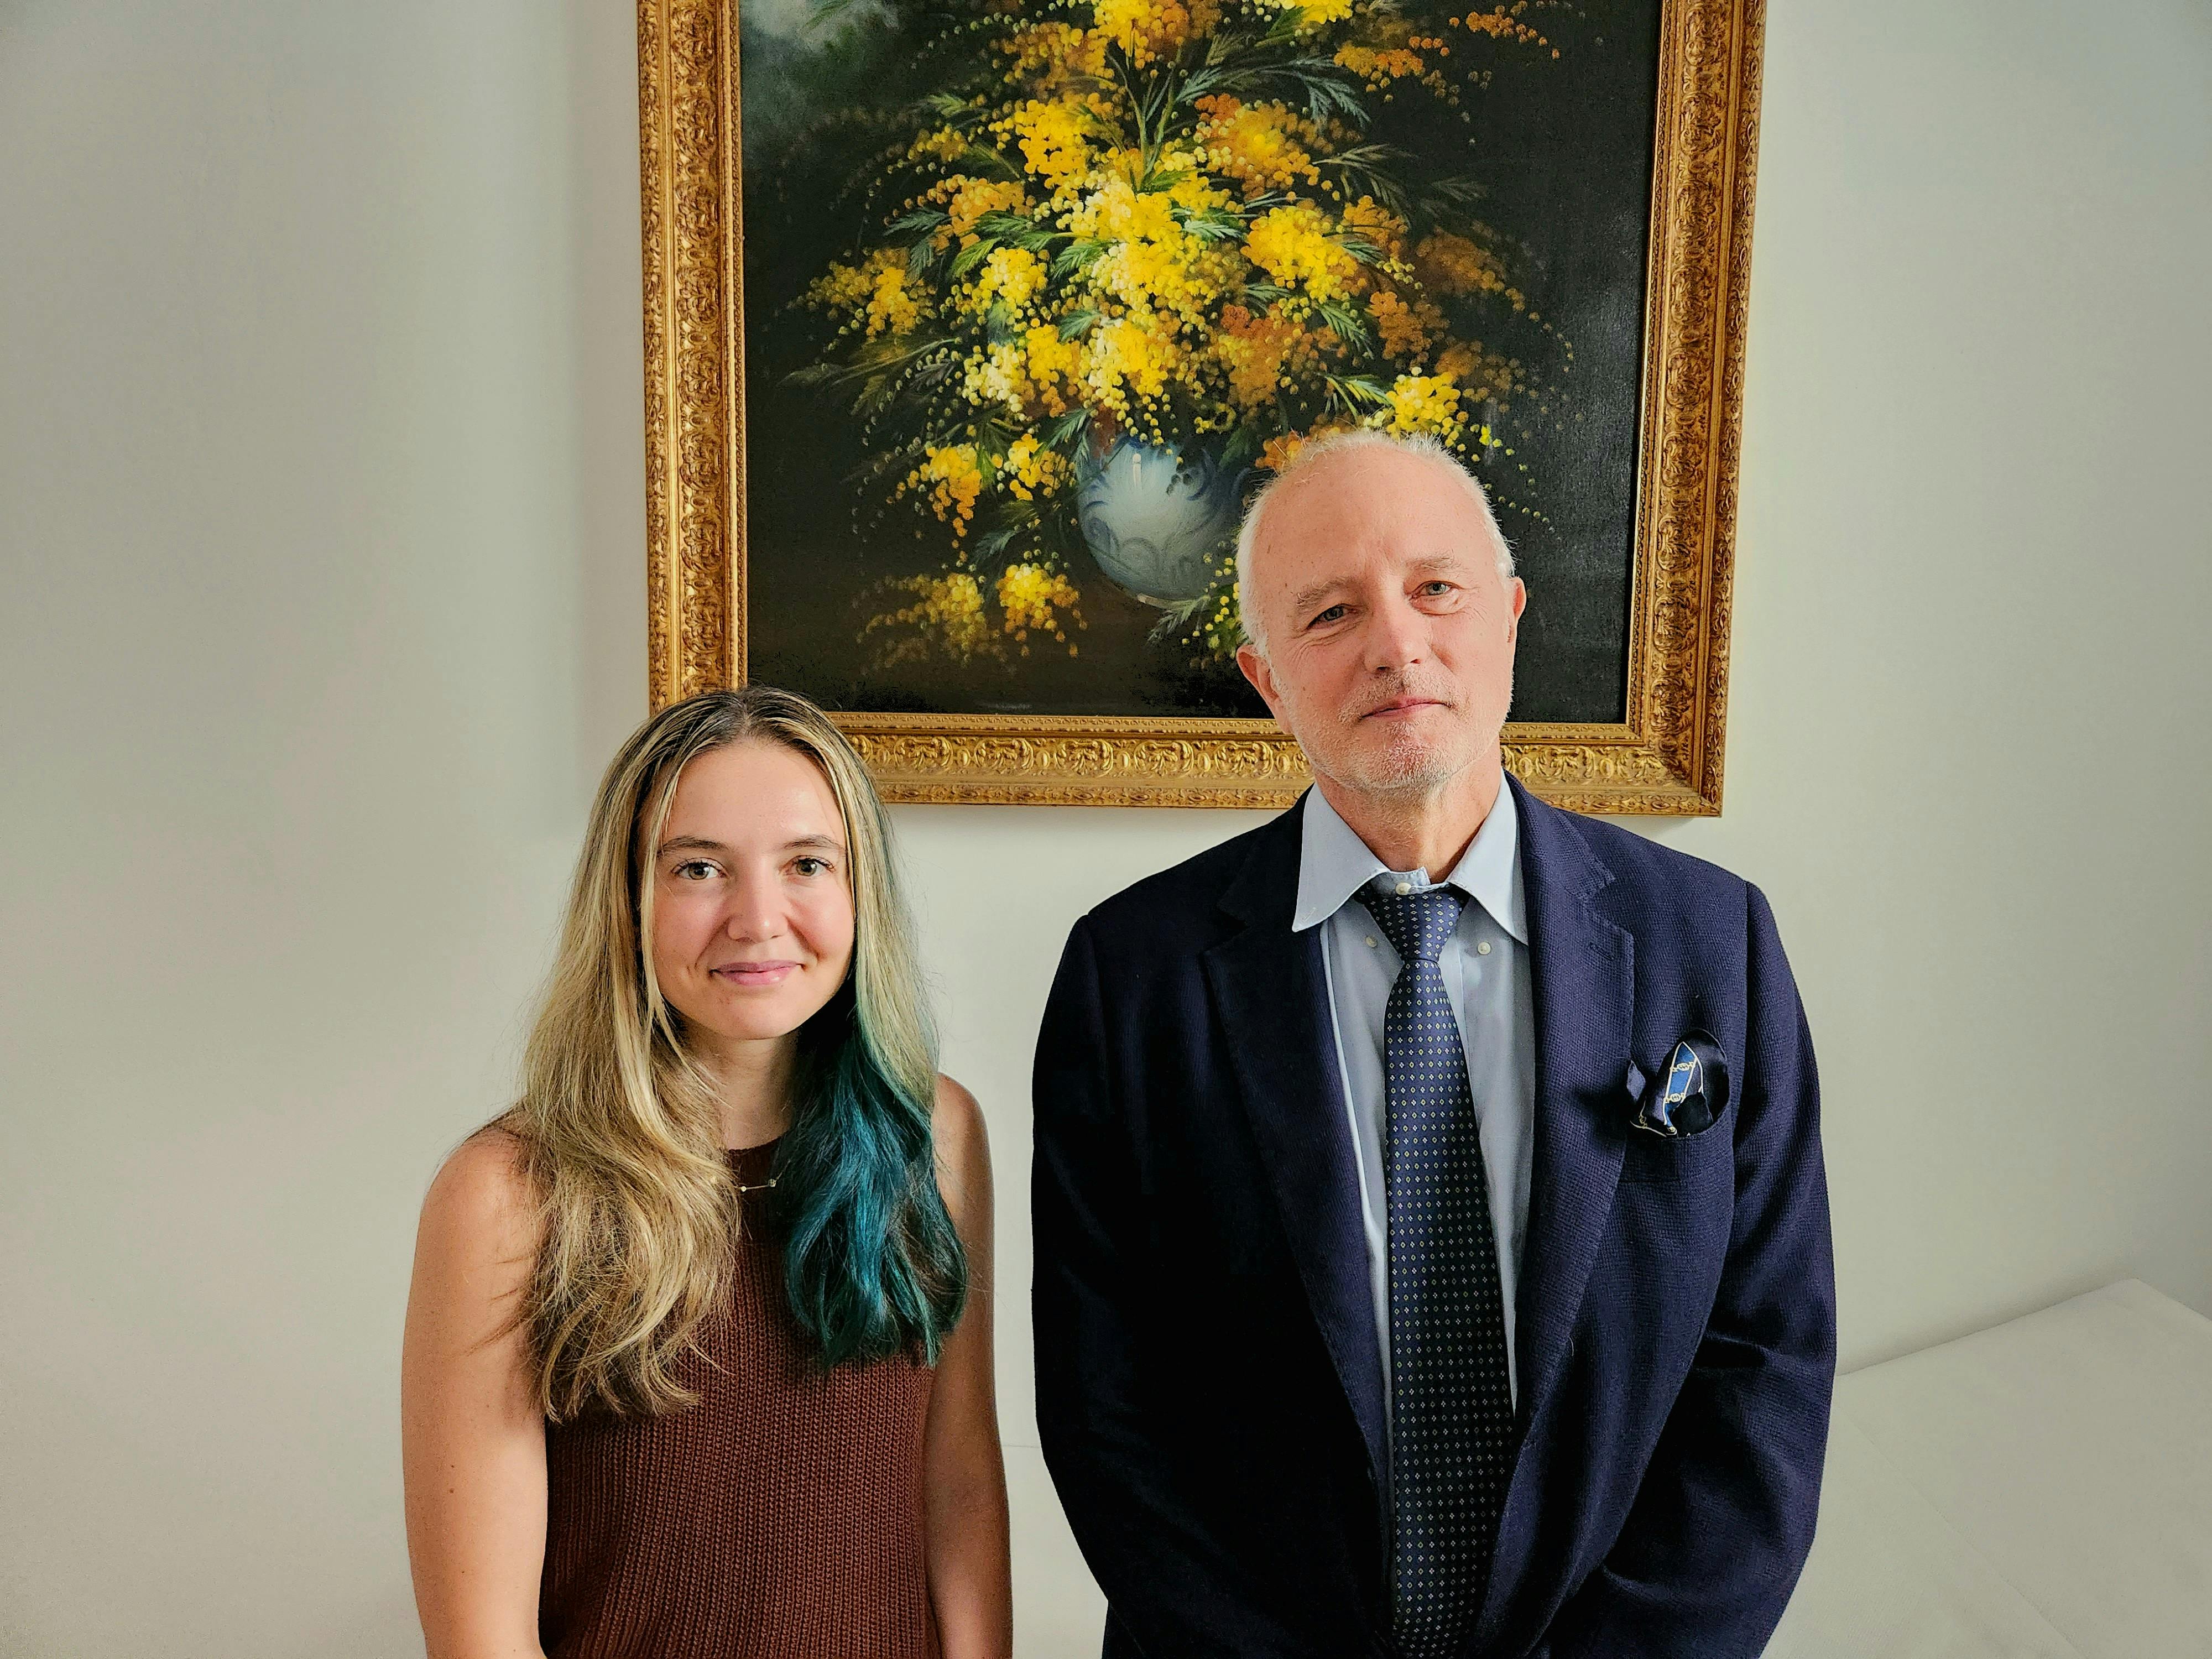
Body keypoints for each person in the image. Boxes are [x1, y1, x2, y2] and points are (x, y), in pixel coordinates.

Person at [1032, 431, 1834, 1658]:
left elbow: (1763, 1364)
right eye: (1330, 611)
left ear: (1507, 619)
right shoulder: (1129, 975)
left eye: (1435, 589)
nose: (1395, 643)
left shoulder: (1708, 942)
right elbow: (1109, 1417)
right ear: (1265, 678)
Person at [403, 686, 1011, 1659]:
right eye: (698, 870)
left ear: (860, 892)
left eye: (808, 864)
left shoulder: (935, 1136)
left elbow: (960, 1484)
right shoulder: (508, 1194)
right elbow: (484, 1636)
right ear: (628, 899)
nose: (758, 920)